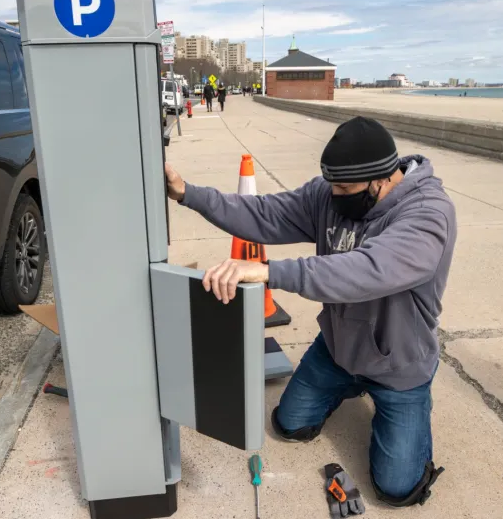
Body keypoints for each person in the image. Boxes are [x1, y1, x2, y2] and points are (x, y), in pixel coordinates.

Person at [165, 116, 456, 507]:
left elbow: (367, 270)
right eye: (331, 186)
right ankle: (348, 382)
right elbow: (265, 213)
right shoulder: (330, 193)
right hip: (339, 350)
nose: (333, 196)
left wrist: (270, 272)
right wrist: (188, 193)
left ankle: (406, 408)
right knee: (289, 426)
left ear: (382, 179)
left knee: (397, 489)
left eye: (345, 188)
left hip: (398, 365)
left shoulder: (427, 215)